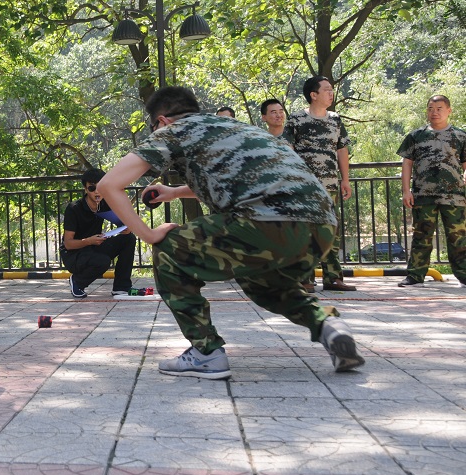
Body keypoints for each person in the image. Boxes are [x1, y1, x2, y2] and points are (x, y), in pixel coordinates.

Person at [97, 86, 364, 380]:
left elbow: (108, 185)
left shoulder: (175, 130)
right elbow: (246, 179)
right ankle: (327, 325)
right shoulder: (235, 127)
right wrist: (174, 192)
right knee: (264, 282)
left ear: (161, 121)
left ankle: (206, 353)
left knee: (169, 249)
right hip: (322, 226)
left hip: (268, 224)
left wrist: (150, 235)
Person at [282, 76, 356, 291]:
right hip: (304, 186)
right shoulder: (297, 119)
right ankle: (305, 279)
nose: (331, 93)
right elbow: (287, 149)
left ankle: (333, 278)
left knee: (330, 230)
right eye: (326, 90)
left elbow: (342, 150)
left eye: (332, 89)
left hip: (329, 186)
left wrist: (345, 180)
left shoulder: (335, 119)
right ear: (313, 95)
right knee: (305, 231)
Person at [396, 95, 466, 287]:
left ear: (449, 111)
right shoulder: (416, 136)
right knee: (421, 236)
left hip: (454, 196)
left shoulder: (460, 136)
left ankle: (464, 275)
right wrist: (406, 191)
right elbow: (407, 163)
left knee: (458, 237)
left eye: (439, 108)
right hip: (423, 195)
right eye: (430, 108)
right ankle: (415, 275)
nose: (434, 112)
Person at [61, 168, 137, 299]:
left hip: (94, 247)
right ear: (85, 189)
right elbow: (68, 244)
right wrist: (89, 241)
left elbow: (124, 222)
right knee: (103, 261)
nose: (97, 191)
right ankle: (78, 281)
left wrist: (126, 228)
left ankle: (121, 287)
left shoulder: (105, 204)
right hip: (74, 255)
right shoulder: (74, 208)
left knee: (129, 238)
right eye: (92, 188)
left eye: (100, 187)